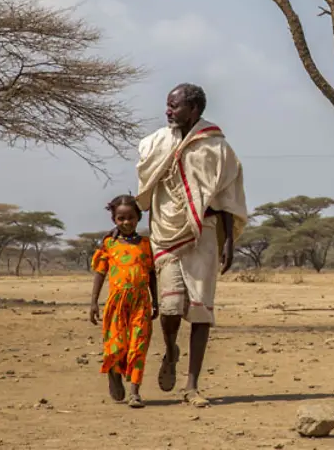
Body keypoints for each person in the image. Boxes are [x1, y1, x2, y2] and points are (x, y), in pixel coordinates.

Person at [135, 83, 248, 407]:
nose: (168, 111)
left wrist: (228, 241)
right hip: (166, 232)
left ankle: (192, 386)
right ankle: (171, 349)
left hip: (204, 233)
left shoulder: (217, 148)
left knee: (200, 311)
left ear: (194, 109)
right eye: (168, 104)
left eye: (175, 106)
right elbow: (146, 184)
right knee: (170, 309)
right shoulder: (156, 142)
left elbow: (227, 199)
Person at [89, 194, 158, 408]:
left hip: (141, 303)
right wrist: (93, 302)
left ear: (138, 218)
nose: (126, 222)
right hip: (117, 303)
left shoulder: (146, 244)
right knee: (116, 346)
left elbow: (152, 275)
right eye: (121, 218)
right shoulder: (109, 244)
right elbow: (100, 273)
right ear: (114, 220)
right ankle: (114, 372)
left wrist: (156, 301)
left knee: (138, 346)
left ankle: (135, 392)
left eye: (130, 217)